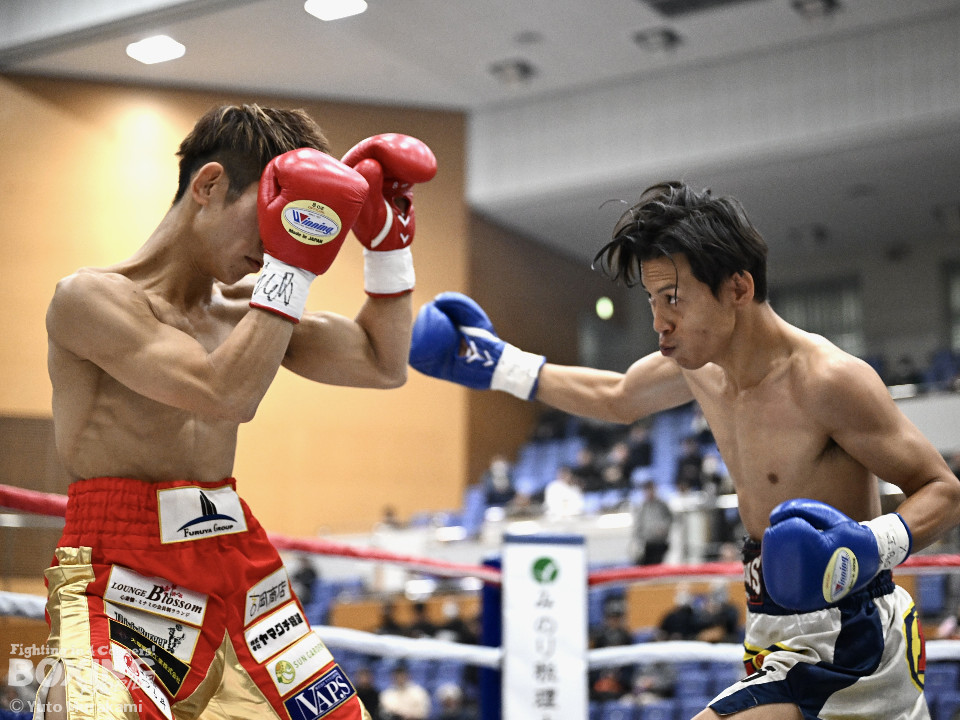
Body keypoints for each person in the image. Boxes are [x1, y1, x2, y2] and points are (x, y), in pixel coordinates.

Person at [408, 180, 960, 719]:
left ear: (738, 288)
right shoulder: (702, 367)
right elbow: (618, 396)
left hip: (850, 635)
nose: (658, 322)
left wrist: (865, 547)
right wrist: (499, 365)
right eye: (652, 300)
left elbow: (943, 491)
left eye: (673, 298)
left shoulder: (826, 381)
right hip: (771, 624)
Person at [40, 103, 436, 720]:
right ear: (209, 185)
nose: (279, 243)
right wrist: (293, 266)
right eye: (274, 218)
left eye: (295, 223)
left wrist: (388, 248)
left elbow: (382, 363)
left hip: (235, 558)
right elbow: (223, 392)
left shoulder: (247, 306)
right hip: (121, 567)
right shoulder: (90, 299)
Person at [632, 479, 673, 565]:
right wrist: (637, 541)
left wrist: (663, 528)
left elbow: (670, 519)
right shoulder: (641, 507)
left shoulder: (662, 505)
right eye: (647, 490)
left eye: (651, 489)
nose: (650, 492)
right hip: (647, 544)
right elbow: (637, 525)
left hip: (660, 543)